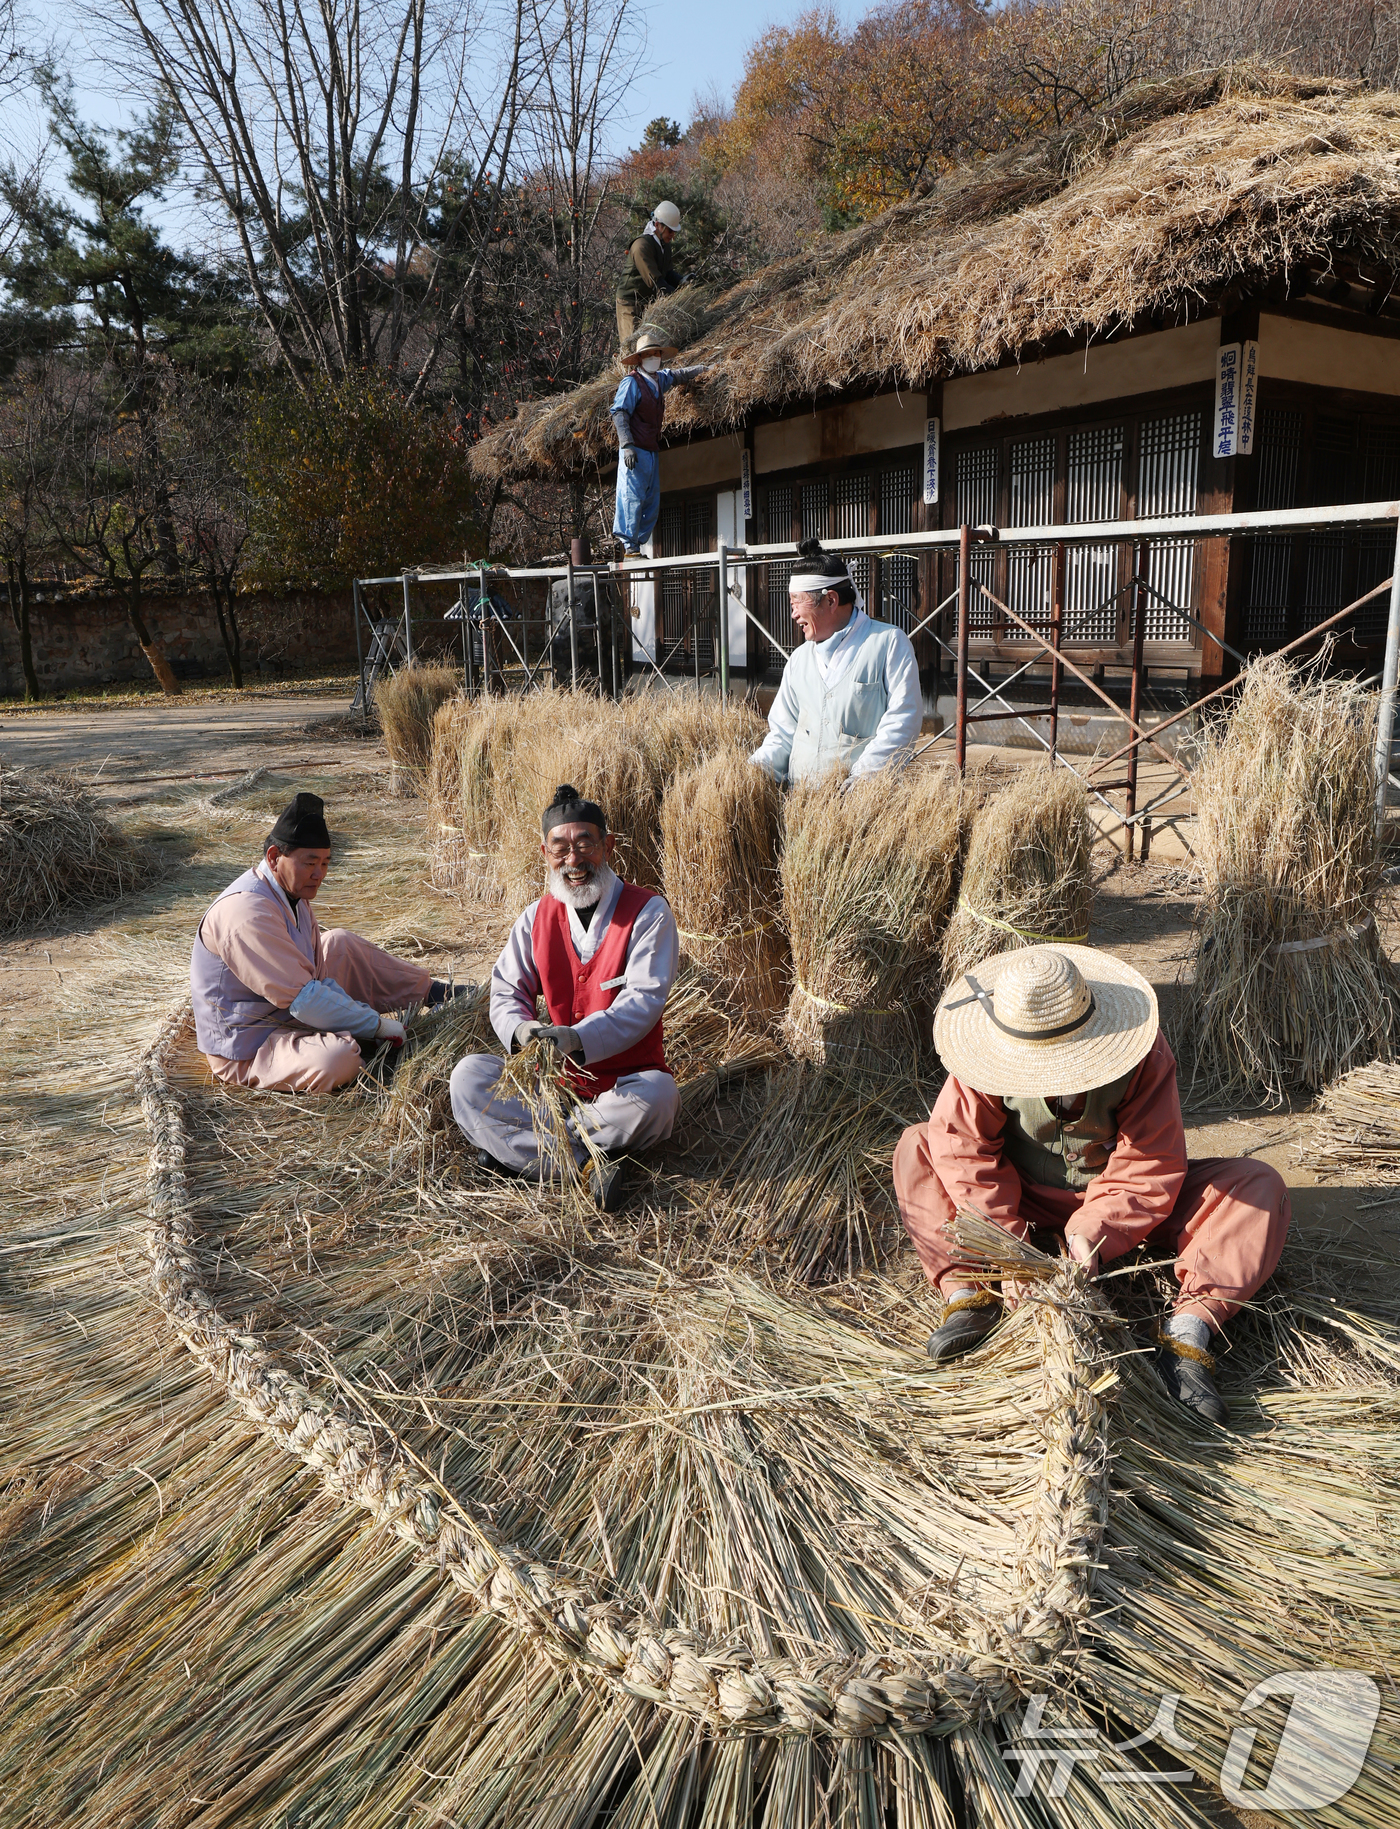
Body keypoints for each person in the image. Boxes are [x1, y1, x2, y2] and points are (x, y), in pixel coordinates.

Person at [893, 943, 1291, 1425]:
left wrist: (1091, 1232)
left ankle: (1188, 1338)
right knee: (918, 1145)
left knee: (1255, 1186)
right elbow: (964, 1151)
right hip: (1017, 1198)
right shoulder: (983, 1062)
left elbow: (1150, 1163)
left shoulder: (1143, 1056)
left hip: (1123, 1208)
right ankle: (967, 1297)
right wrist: (1008, 1250)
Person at [449, 783, 681, 1210]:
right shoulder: (536, 916)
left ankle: (524, 1157)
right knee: (467, 1077)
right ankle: (588, 1163)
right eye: (560, 848)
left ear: (607, 846)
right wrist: (522, 1031)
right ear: (544, 853)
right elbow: (506, 990)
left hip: (622, 1088)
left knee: (660, 1097)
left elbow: (643, 1003)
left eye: (585, 844)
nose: (573, 861)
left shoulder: (648, 913)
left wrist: (576, 1039)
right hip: (551, 1086)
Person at [191, 791, 464, 1094]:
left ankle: (437, 993)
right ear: (274, 857)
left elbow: (314, 980)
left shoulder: (293, 894)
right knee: (337, 1059)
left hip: (291, 1008)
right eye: (310, 863)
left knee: (340, 944)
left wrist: (359, 1017)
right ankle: (353, 1047)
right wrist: (376, 1026)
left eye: (325, 862)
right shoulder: (245, 914)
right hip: (250, 1043)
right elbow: (305, 1000)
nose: (319, 874)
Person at [748, 538, 923, 786]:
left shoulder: (888, 643)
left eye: (797, 601)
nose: (793, 613)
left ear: (830, 600)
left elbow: (903, 720)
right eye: (792, 603)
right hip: (801, 802)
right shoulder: (799, 659)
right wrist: (753, 772)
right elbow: (783, 734)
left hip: (860, 804)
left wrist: (862, 780)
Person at [611, 330, 707, 558]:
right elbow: (619, 412)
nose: (654, 357)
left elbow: (678, 375)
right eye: (649, 354)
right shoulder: (631, 382)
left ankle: (638, 543)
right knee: (631, 497)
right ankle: (629, 545)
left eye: (657, 353)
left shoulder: (658, 379)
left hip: (651, 450)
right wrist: (626, 445)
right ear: (641, 359)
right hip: (634, 450)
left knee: (651, 501)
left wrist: (702, 369)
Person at [615, 200, 685, 345]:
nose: (672, 235)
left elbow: (668, 273)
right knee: (633, 348)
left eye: (674, 231)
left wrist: (682, 281)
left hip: (647, 302)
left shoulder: (665, 244)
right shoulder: (641, 246)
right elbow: (655, 282)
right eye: (670, 230)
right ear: (658, 225)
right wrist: (680, 297)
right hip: (630, 304)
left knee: (651, 348)